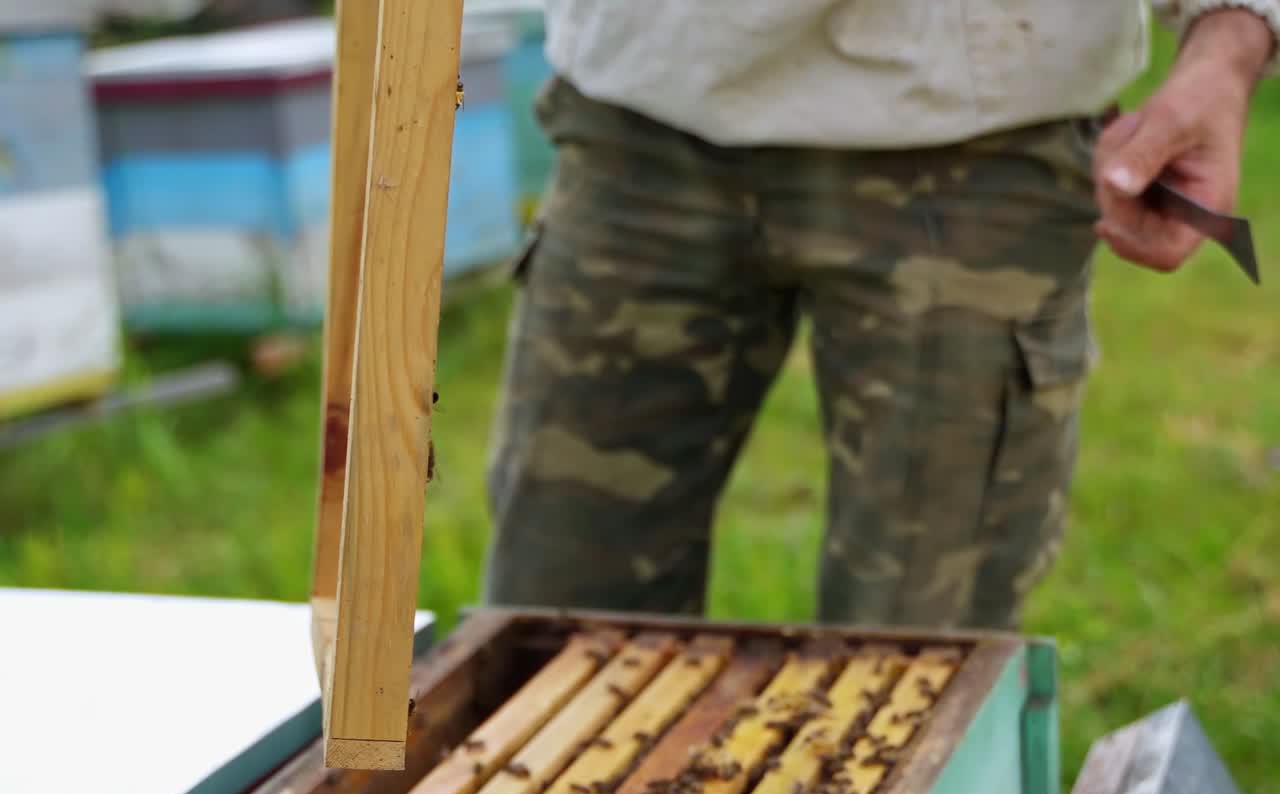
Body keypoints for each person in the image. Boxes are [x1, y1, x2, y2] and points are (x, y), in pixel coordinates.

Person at [480, 1, 1276, 631]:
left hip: (976, 134)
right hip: (642, 111)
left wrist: (1228, 40)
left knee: (924, 654)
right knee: (551, 624)